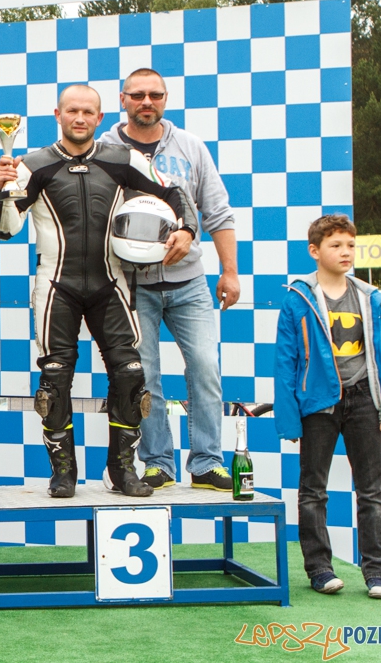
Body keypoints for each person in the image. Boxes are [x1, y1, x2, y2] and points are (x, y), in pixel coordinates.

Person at [0, 84, 198, 497]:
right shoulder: (33, 164)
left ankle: (122, 471)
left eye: (88, 112)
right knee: (55, 378)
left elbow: (173, 192)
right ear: (58, 115)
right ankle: (63, 473)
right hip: (56, 286)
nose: (80, 118)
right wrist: (4, 189)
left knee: (131, 374)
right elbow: (4, 229)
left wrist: (187, 230)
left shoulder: (124, 158)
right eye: (72, 111)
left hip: (111, 282)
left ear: (100, 118)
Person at [99, 67, 238, 491]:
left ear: (165, 99)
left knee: (205, 368)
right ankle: (157, 462)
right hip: (132, 283)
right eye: (138, 95)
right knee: (144, 376)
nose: (147, 102)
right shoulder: (104, 149)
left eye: (155, 95)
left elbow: (218, 211)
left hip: (188, 280)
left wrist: (230, 271)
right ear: (123, 99)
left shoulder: (191, 146)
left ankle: (207, 462)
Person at [274, 214, 381, 598]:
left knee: (372, 491)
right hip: (318, 404)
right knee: (313, 490)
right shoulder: (297, 298)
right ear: (315, 251)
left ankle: (377, 573)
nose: (345, 252)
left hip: (364, 400)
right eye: (336, 245)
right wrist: (289, 420)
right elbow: (285, 363)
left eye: (350, 245)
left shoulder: (368, 297)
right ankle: (319, 570)